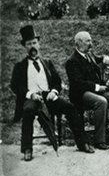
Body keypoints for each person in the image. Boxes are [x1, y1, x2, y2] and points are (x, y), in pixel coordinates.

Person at [11, 26, 94, 161]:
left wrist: (54, 91)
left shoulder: (47, 63)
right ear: (24, 47)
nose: (32, 46)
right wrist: (30, 94)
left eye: (34, 43)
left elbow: (57, 80)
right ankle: (27, 148)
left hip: (48, 96)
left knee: (70, 108)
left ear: (39, 44)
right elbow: (15, 86)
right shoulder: (20, 66)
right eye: (29, 44)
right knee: (28, 111)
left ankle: (82, 142)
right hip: (31, 98)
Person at [65, 31, 109, 149]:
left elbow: (97, 58)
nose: (91, 43)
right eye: (88, 41)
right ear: (79, 43)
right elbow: (78, 83)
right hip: (81, 94)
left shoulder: (89, 54)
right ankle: (99, 140)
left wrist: (105, 57)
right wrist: (97, 87)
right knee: (101, 101)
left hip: (98, 90)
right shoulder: (72, 61)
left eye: (90, 40)